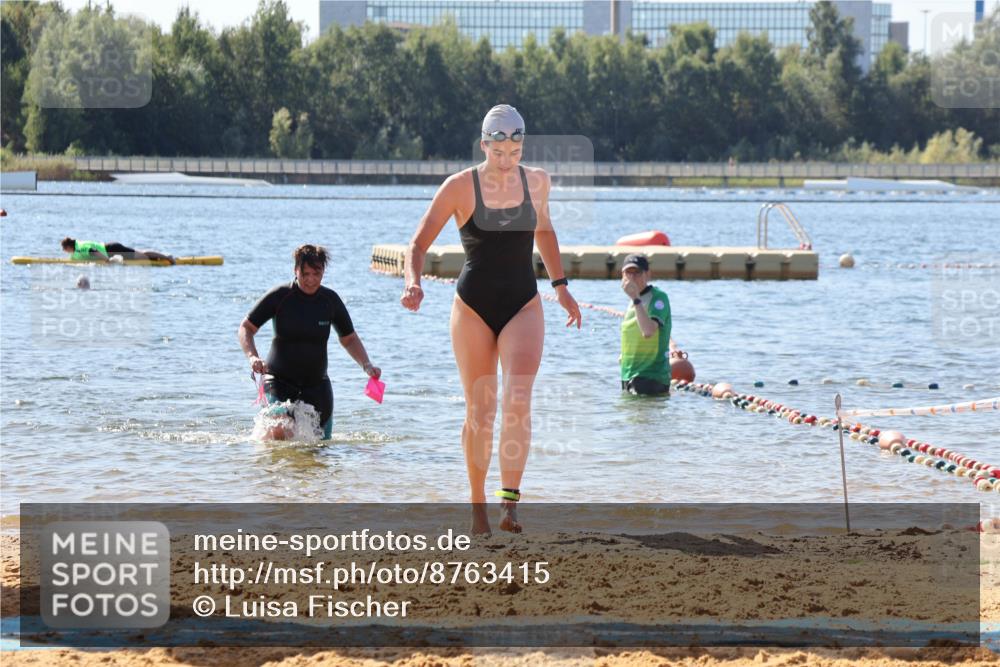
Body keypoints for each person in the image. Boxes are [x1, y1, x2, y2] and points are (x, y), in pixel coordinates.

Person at [401, 104, 582, 535]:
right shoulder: (458, 187)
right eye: (499, 152)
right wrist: (413, 282)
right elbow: (417, 243)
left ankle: (510, 504)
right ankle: (477, 503)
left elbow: (545, 231)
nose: (507, 160)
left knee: (517, 399)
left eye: (515, 151)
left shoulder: (537, 181)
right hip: (472, 308)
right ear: (484, 145)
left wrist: (560, 286)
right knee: (481, 411)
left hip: (523, 302)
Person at [237, 244, 380, 440]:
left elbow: (349, 338)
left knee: (321, 447)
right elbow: (246, 328)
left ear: (323, 271)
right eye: (305, 274)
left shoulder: (330, 301)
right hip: (278, 381)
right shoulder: (280, 297)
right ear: (295, 270)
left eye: (316, 273)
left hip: (317, 385)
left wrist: (366, 364)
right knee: (279, 427)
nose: (311, 280)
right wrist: (252, 357)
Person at [620, 253, 679, 396]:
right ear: (622, 276)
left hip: (651, 376)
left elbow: (648, 331)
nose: (632, 278)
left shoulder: (658, 298)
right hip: (629, 373)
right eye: (628, 273)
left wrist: (635, 298)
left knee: (644, 417)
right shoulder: (633, 301)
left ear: (648, 275)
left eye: (637, 273)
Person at [60, 237, 176, 264]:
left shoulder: (81, 248)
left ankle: (167, 257)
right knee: (141, 254)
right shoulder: (78, 246)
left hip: (113, 250)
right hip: (111, 248)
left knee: (143, 255)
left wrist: (106, 260)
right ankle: (164, 257)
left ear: (69, 247)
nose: (65, 252)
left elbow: (93, 250)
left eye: (65, 250)